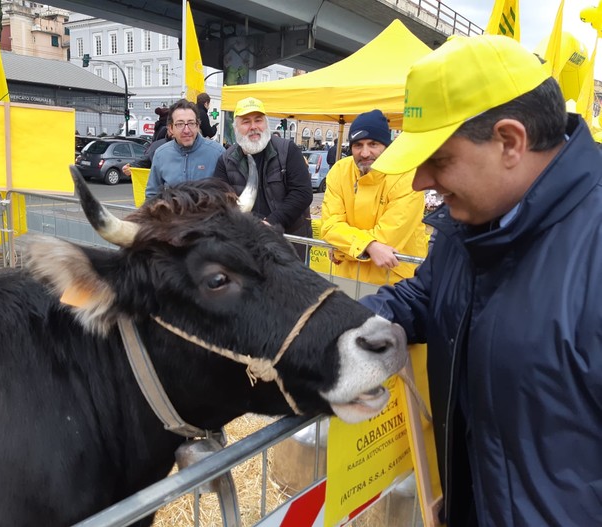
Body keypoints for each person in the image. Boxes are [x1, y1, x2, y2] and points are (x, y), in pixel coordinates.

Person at [359, 34, 602, 526]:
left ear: (510, 141)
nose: (419, 181)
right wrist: (338, 326)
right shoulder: (470, 224)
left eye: (439, 158)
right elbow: (426, 297)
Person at [320, 110, 428, 285]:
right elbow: (329, 226)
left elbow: (388, 240)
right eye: (358, 145)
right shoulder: (340, 171)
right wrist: (369, 246)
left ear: (386, 146)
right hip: (347, 278)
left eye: (373, 144)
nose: (364, 153)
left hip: (394, 282)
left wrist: (340, 250)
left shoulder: (407, 175)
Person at [214, 96, 313, 259]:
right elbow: (220, 201)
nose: (253, 127)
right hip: (248, 247)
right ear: (236, 127)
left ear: (266, 123)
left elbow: (302, 193)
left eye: (258, 120)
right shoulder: (225, 161)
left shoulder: (288, 151)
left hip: (289, 246)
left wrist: (270, 223)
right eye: (246, 122)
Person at [145, 98, 225, 199]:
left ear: (198, 125)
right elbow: (152, 196)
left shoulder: (218, 153)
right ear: (170, 128)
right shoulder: (161, 155)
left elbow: (227, 197)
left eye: (191, 123)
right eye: (180, 124)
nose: (186, 130)